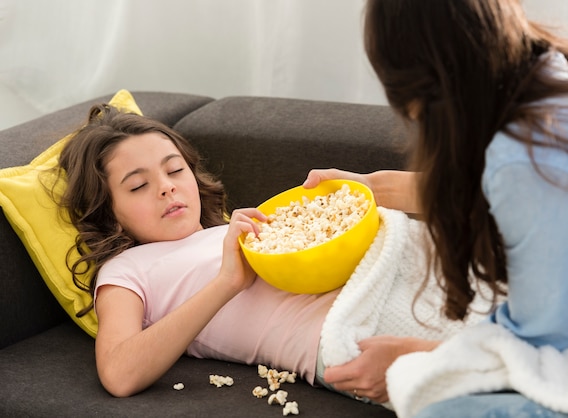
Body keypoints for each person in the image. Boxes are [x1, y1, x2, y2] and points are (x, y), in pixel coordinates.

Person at [303, 0, 568, 416]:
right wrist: (368, 189)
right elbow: (486, 196)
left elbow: (543, 337)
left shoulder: (531, 156)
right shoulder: (559, 77)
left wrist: (415, 359)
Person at [54, 103, 455, 402]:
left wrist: (365, 188)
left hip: (401, 270)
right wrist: (227, 282)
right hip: (350, 327)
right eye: (138, 186)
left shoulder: (235, 229)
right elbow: (119, 372)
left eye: (175, 170)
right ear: (112, 215)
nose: (166, 187)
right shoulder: (126, 271)